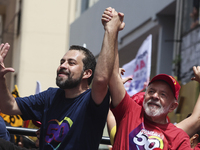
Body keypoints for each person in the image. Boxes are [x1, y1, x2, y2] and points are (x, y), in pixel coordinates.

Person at [0, 7, 124, 150]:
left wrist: (110, 30)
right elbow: (9, 106)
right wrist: (0, 79)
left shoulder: (92, 100)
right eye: (62, 62)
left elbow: (102, 79)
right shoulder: (51, 95)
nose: (63, 66)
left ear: (87, 73)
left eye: (71, 63)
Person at [102, 9, 200, 149]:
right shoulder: (129, 112)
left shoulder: (178, 137)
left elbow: (197, 119)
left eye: (163, 94)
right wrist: (113, 31)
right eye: (151, 91)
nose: (154, 96)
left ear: (173, 106)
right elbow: (111, 76)